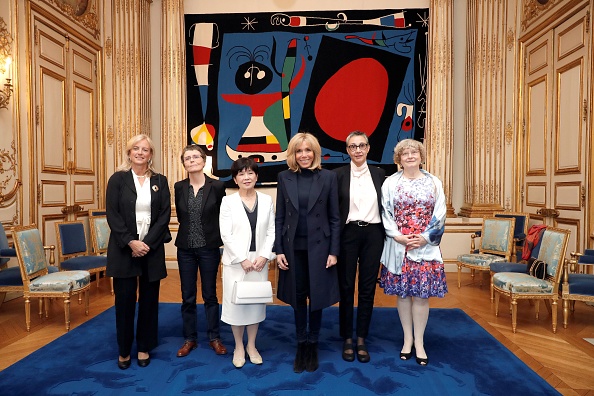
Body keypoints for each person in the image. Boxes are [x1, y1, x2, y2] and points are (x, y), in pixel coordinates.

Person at [275, 132, 341, 373]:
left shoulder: (329, 177)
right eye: (299, 151)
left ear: (315, 153)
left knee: (318, 296)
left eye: (308, 150)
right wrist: (278, 249)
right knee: (298, 296)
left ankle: (313, 343)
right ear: (293, 154)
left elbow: (335, 218)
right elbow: (280, 216)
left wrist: (334, 251)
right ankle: (301, 342)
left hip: (320, 248)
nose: (303, 155)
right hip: (293, 248)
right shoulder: (284, 177)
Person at [106, 134, 172, 370]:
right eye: (136, 148)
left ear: (151, 154)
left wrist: (147, 244)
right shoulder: (117, 179)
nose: (140, 153)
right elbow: (112, 214)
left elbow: (164, 215)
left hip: (151, 250)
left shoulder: (160, 181)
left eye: (145, 149)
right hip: (124, 249)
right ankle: (124, 350)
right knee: (124, 302)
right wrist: (131, 242)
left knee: (149, 301)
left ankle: (144, 347)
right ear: (129, 152)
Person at [379, 138, 447, 366]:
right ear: (398, 158)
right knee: (403, 294)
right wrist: (397, 235)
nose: (410, 156)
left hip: (424, 246)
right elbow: (385, 211)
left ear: (421, 156)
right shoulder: (390, 183)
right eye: (405, 153)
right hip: (400, 246)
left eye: (414, 152)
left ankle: (420, 342)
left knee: (421, 295)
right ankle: (407, 339)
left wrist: (425, 238)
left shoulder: (434, 182)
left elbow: (440, 213)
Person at [333, 131, 385, 363]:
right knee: (345, 287)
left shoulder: (380, 174)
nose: (357, 150)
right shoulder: (337, 175)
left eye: (361, 145)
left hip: (373, 234)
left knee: (367, 289)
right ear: (347, 150)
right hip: (348, 234)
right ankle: (346, 337)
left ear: (368, 148)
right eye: (352, 146)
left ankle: (361, 337)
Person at [219, 158, 276, 368]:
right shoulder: (228, 202)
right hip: (237, 263)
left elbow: (271, 231)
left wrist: (264, 255)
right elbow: (226, 234)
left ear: (256, 176)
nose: (246, 177)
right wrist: (242, 258)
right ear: (235, 178)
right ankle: (238, 346)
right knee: (237, 306)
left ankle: (251, 345)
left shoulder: (267, 200)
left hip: (259, 262)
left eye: (250, 173)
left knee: (254, 304)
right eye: (241, 174)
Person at [174, 145, 228, 358]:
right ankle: (190, 339)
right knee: (187, 296)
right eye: (188, 158)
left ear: (204, 161)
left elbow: (223, 216)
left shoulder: (217, 186)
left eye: (196, 156)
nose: (192, 160)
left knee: (210, 295)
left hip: (209, 247)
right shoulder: (179, 187)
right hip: (185, 249)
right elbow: (181, 216)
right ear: (184, 163)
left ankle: (214, 337)